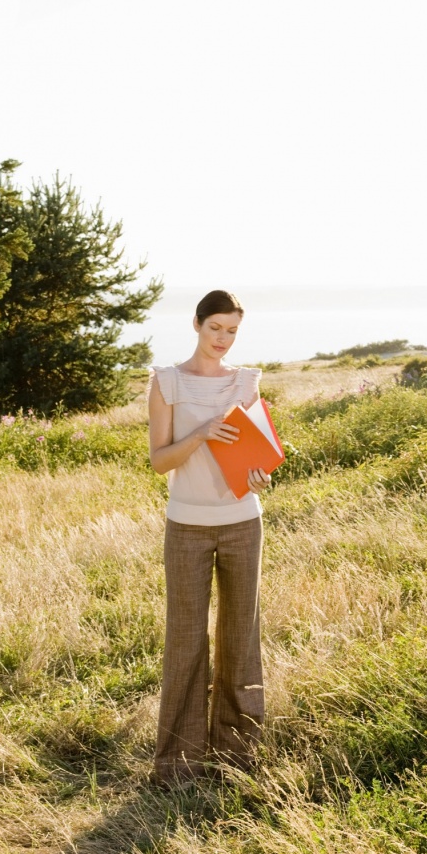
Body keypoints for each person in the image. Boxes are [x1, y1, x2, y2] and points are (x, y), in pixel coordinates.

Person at [147, 289, 271, 783]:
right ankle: (177, 765)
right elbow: (159, 462)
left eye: (232, 331)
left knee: (241, 640)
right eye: (216, 327)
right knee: (185, 642)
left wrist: (261, 474)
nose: (223, 339)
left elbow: (256, 456)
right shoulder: (167, 382)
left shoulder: (246, 382)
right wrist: (202, 434)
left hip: (243, 521)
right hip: (187, 527)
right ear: (197, 324)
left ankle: (237, 758)